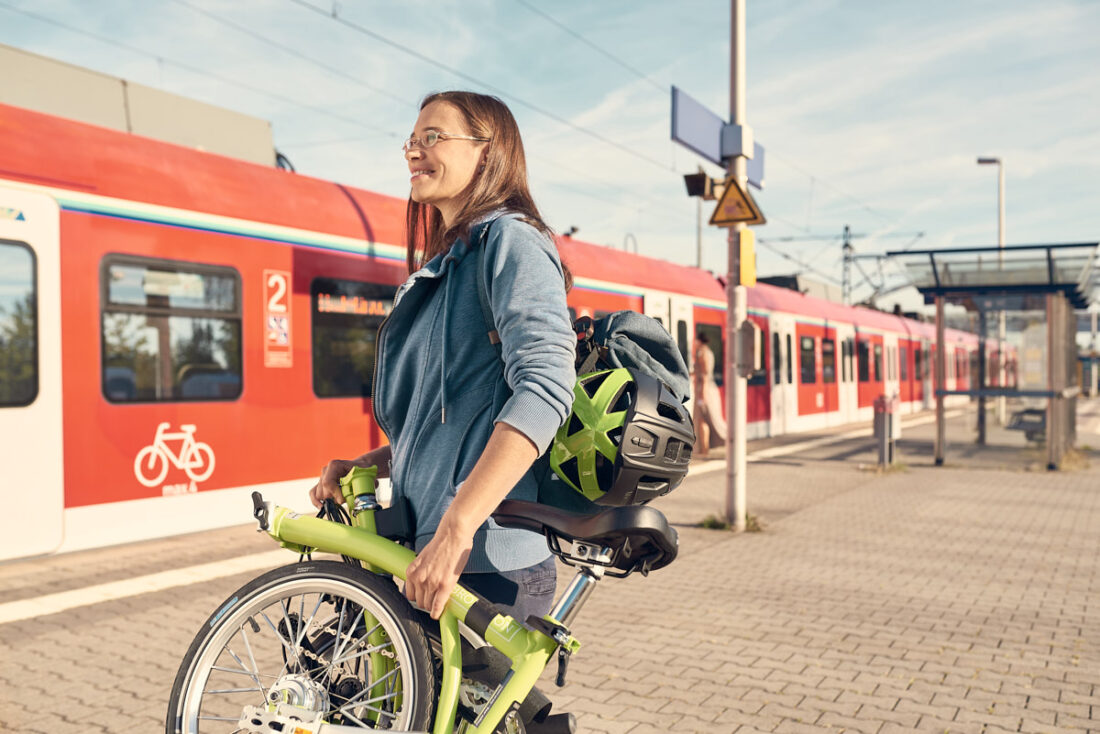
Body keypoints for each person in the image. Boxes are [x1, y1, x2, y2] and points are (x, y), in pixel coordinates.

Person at [310, 91, 576, 626]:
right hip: (432, 555)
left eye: (433, 137)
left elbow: (546, 388)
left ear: (487, 150)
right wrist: (369, 464)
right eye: (411, 140)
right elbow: (448, 426)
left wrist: (458, 529)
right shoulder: (449, 265)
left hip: (484, 562)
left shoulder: (512, 241)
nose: (414, 151)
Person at [692, 331, 727, 458]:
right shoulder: (709, 352)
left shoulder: (701, 353)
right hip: (709, 389)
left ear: (699, 341)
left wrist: (702, 394)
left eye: (695, 340)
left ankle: (704, 449)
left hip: (704, 389)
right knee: (706, 419)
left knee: (702, 419)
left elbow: (704, 374)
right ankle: (704, 448)